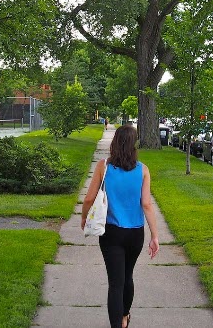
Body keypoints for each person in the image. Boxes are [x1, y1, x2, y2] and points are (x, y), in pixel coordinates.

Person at [81, 125, 159, 328]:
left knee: (116, 283)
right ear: (133, 144)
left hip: (111, 233)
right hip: (135, 233)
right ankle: (124, 316)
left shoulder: (103, 166)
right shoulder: (143, 170)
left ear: (115, 142)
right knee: (128, 276)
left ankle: (119, 323)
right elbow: (147, 204)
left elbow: (89, 199)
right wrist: (155, 236)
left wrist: (84, 219)